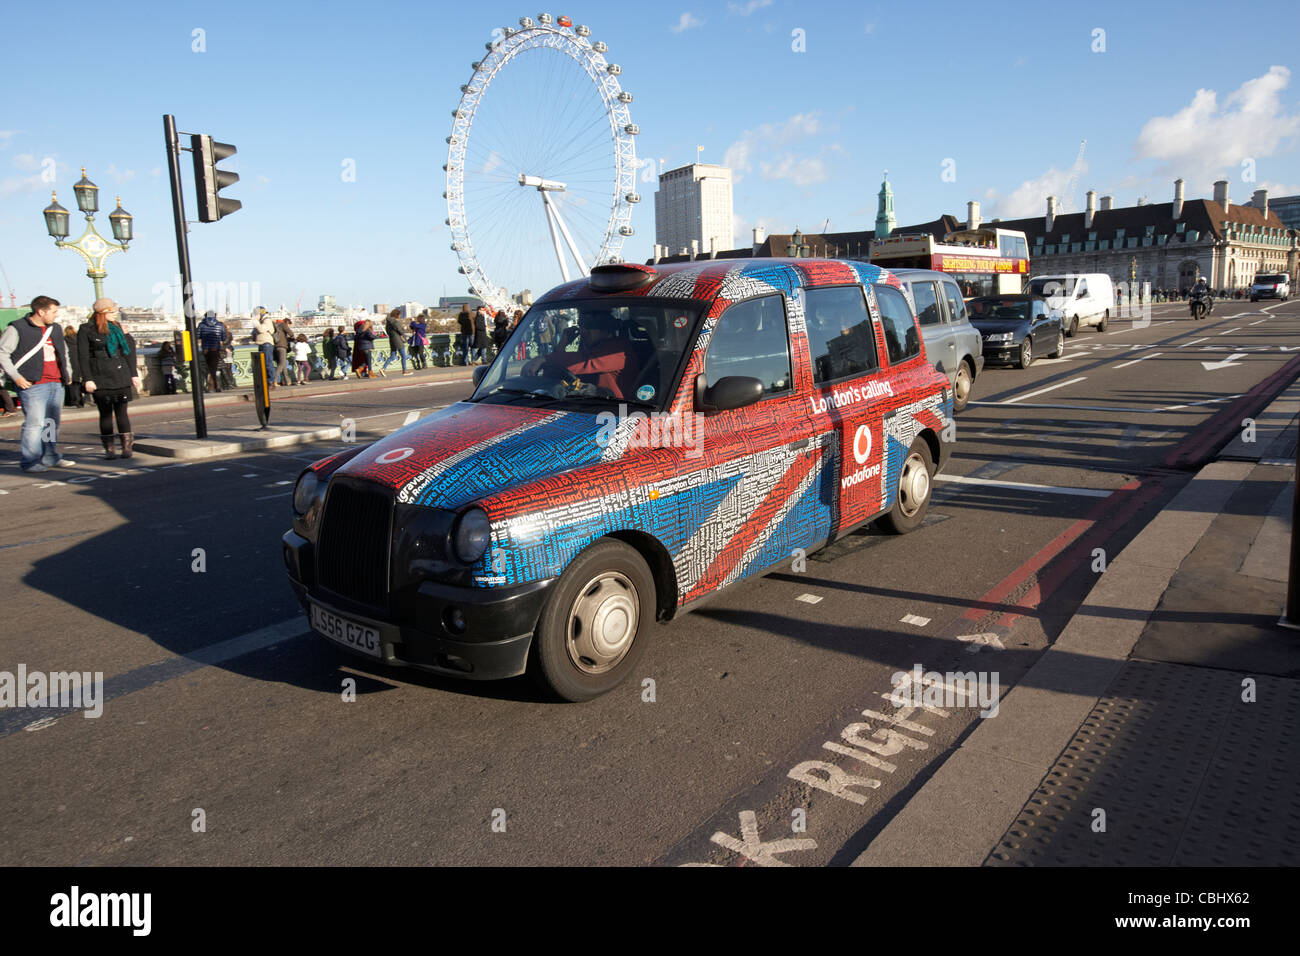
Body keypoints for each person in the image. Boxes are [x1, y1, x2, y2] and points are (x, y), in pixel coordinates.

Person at [0, 294, 75, 472]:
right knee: (35, 424)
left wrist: (68, 373)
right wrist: (16, 376)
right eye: (54, 311)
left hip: (56, 382)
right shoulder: (17, 328)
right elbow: (2, 353)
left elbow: (63, 353)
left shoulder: (55, 328)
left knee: (50, 422)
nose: (56, 315)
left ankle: (49, 456)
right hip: (32, 383)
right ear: (41, 312)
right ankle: (30, 461)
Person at [525, 309, 639, 399]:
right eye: (582, 327)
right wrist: (562, 344)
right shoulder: (590, 349)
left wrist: (544, 358)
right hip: (585, 405)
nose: (584, 332)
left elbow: (585, 362)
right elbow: (554, 372)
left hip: (617, 411)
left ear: (605, 329)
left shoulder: (618, 349)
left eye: (589, 327)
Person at [79, 298, 140, 460]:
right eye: (112, 311)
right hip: (100, 375)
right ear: (103, 312)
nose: (115, 314)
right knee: (105, 414)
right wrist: (88, 379)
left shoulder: (118, 327)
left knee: (122, 413)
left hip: (121, 373)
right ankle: (109, 449)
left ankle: (127, 447)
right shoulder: (86, 329)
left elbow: (128, 351)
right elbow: (83, 356)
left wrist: (133, 374)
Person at [198, 309, 227, 392]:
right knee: (213, 368)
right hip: (215, 348)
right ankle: (215, 386)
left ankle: (210, 386)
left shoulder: (202, 324)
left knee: (209, 368)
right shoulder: (220, 325)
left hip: (206, 349)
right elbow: (223, 338)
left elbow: (197, 336)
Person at [381, 309, 412, 375]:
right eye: (399, 315)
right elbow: (400, 330)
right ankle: (404, 371)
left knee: (392, 356)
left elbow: (388, 332)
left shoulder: (388, 322)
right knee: (404, 356)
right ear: (397, 315)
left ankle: (383, 368)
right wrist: (403, 332)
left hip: (392, 340)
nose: (400, 316)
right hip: (398, 340)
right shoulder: (395, 321)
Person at [252, 306, 276, 386]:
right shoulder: (261, 321)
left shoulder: (267, 320)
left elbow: (261, 329)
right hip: (261, 343)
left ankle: (271, 381)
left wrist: (256, 322)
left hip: (267, 344)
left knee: (268, 363)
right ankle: (265, 381)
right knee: (262, 364)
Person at [63, 325, 85, 407]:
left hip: (70, 364)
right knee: (79, 383)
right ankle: (81, 400)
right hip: (78, 363)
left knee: (72, 384)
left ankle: (74, 400)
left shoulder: (64, 341)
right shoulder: (78, 340)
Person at [273, 316, 296, 385]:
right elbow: (290, 333)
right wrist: (292, 337)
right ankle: (274, 381)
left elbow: (281, 337)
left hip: (275, 347)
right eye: (289, 325)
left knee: (283, 364)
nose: (288, 326)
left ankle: (287, 381)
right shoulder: (283, 324)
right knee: (281, 364)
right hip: (282, 346)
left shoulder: (275, 326)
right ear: (287, 322)